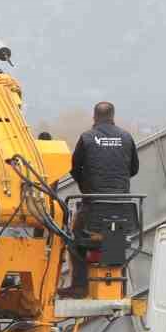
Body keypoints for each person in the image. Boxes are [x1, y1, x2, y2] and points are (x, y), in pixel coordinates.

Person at [67, 102, 141, 293]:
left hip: (94, 208)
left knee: (74, 240)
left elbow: (74, 169)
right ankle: (115, 286)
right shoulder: (126, 137)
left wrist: (87, 190)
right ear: (113, 116)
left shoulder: (86, 138)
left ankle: (79, 286)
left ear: (94, 117)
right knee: (114, 230)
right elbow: (133, 169)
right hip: (124, 211)